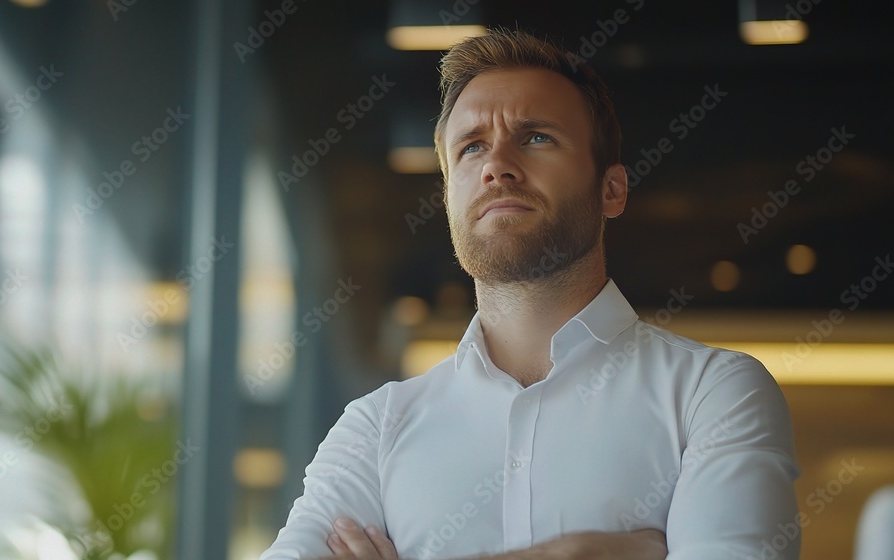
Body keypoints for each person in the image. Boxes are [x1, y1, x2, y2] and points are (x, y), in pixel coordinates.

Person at [261, 28, 800, 560]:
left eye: (537, 137)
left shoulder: (714, 394)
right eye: (471, 148)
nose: (496, 165)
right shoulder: (375, 428)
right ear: (448, 198)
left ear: (611, 189)